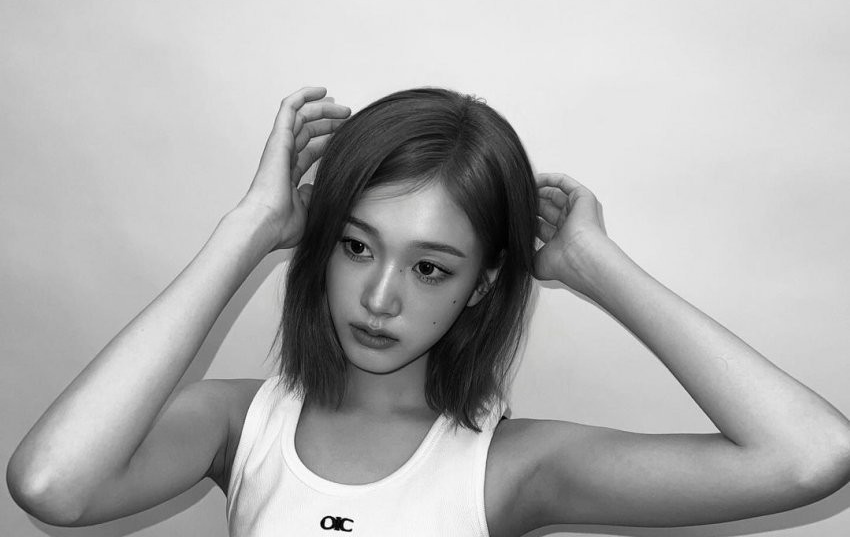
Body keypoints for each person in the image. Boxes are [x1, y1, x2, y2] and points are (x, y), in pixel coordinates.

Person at [7, 86, 850, 536]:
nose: (380, 299)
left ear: (481, 285)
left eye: (431, 267)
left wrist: (595, 265)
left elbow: (810, 456)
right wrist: (250, 228)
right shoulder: (239, 425)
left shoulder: (512, 470)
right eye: (355, 246)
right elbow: (51, 486)